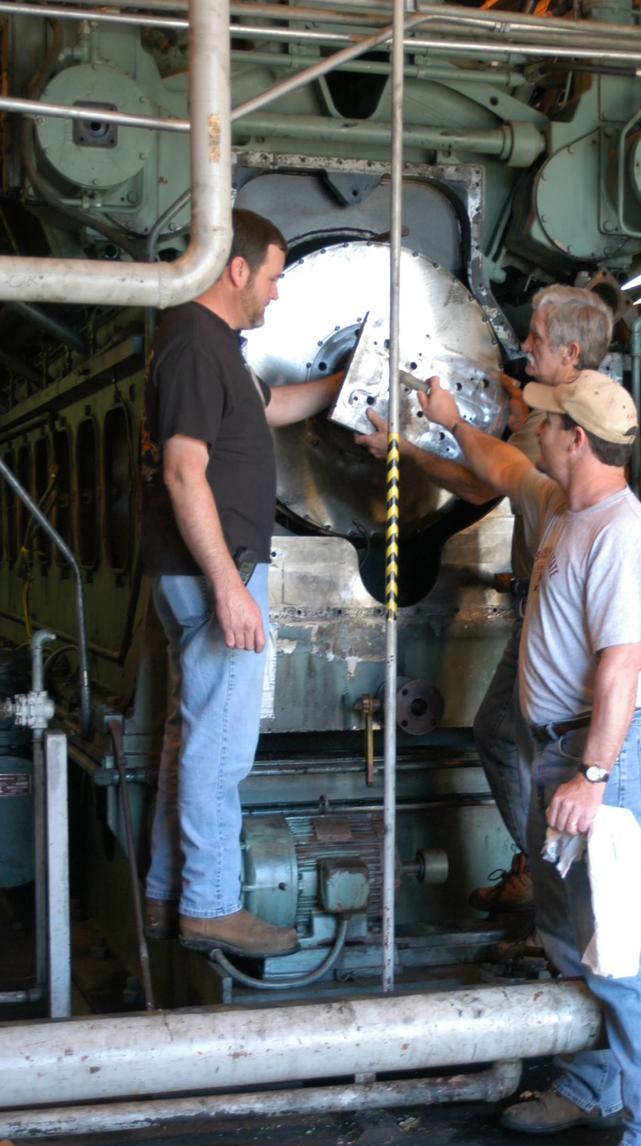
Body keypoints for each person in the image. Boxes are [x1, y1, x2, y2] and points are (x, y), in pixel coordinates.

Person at [412, 368, 641, 1146]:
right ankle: (594, 1081)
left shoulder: (622, 535)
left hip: (599, 756)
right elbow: (501, 469)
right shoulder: (563, 510)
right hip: (555, 752)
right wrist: (434, 428)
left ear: (576, 438)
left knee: (621, 953)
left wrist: (593, 776)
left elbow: (619, 669)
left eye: (544, 425)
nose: (533, 431)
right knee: (570, 938)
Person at [357, 286, 613, 917]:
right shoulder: (556, 408)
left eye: (535, 341)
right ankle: (550, 876)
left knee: (537, 744)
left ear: (572, 352)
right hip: (545, 607)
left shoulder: (564, 427)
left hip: (555, 614)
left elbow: (485, 482)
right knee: (508, 734)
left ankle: (555, 883)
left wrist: (412, 446)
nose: (523, 348)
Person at [141, 208, 342, 958]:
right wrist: (228, 584)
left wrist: (345, 382)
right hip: (212, 572)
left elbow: (276, 408)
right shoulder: (194, 343)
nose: (277, 293)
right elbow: (181, 469)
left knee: (189, 735)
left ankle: (169, 893)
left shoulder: (217, 348)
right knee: (220, 747)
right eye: (272, 276)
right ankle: (211, 904)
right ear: (235, 269)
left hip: (210, 569)